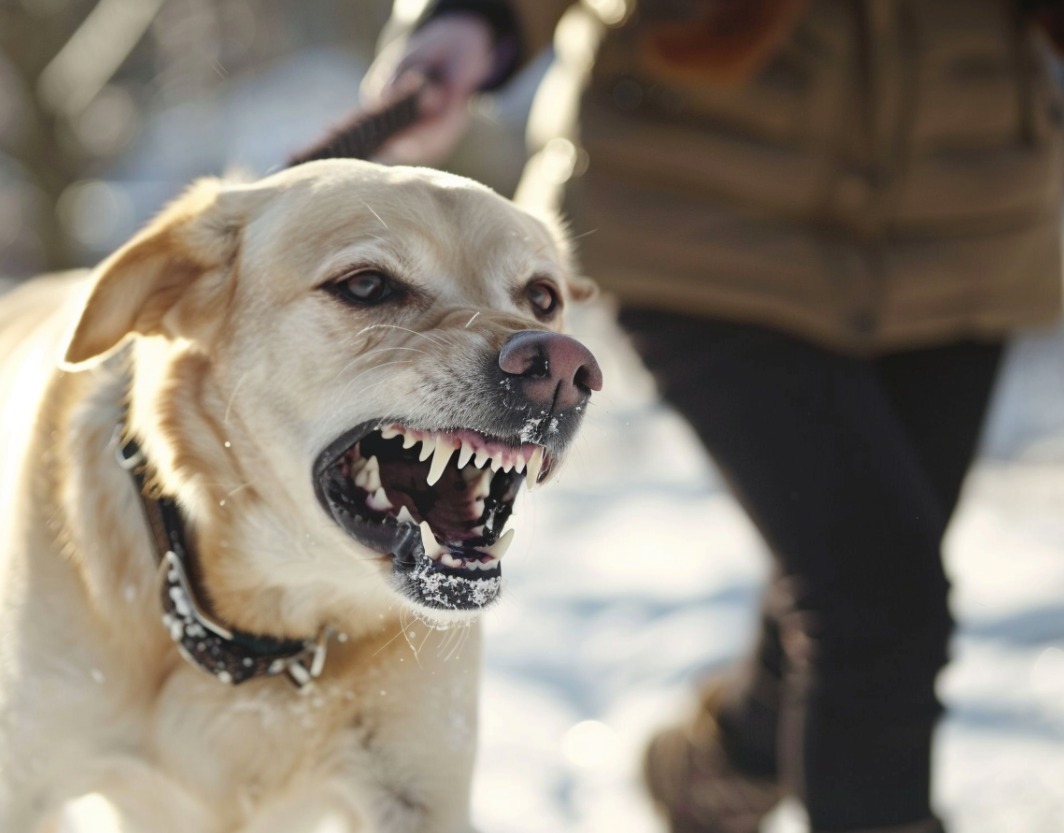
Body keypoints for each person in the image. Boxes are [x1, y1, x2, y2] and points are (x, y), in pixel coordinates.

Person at [362, 2, 1064, 832]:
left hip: (957, 224)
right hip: (698, 217)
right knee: (879, 597)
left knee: (860, 567)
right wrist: (471, 18)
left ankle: (735, 757)